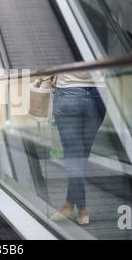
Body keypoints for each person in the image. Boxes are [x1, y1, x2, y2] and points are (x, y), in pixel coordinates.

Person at [50, 71, 106, 226]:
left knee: (76, 156)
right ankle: (70, 204)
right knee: (80, 156)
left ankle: (81, 208)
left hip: (69, 90)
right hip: (98, 91)